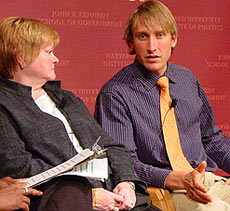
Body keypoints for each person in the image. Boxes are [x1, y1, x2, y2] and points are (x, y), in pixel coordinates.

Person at [0, 16, 160, 211]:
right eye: (49, 52)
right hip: (67, 203)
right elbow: (20, 169)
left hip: (118, 197)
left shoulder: (67, 98)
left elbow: (111, 146)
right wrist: (89, 195)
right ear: (21, 57)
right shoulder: (4, 105)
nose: (56, 59)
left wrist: (126, 182)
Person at [95, 1, 230, 211]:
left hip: (206, 180)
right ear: (131, 43)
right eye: (142, 36)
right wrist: (174, 179)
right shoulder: (115, 93)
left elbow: (211, 138)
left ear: (173, 39)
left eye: (160, 35)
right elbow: (123, 163)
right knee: (214, 209)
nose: (152, 47)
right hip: (163, 189)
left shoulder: (186, 79)